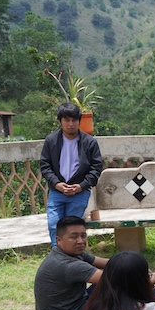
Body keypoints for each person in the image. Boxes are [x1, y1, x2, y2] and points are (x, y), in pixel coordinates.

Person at [40, 102, 103, 246]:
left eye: (74, 120)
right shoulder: (51, 141)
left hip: (79, 193)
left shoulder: (90, 143)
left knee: (72, 229)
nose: (70, 124)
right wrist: (57, 184)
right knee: (53, 224)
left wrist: (81, 186)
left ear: (79, 121)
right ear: (60, 121)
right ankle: (59, 257)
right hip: (57, 192)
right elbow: (45, 166)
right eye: (66, 120)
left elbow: (96, 168)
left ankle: (71, 260)